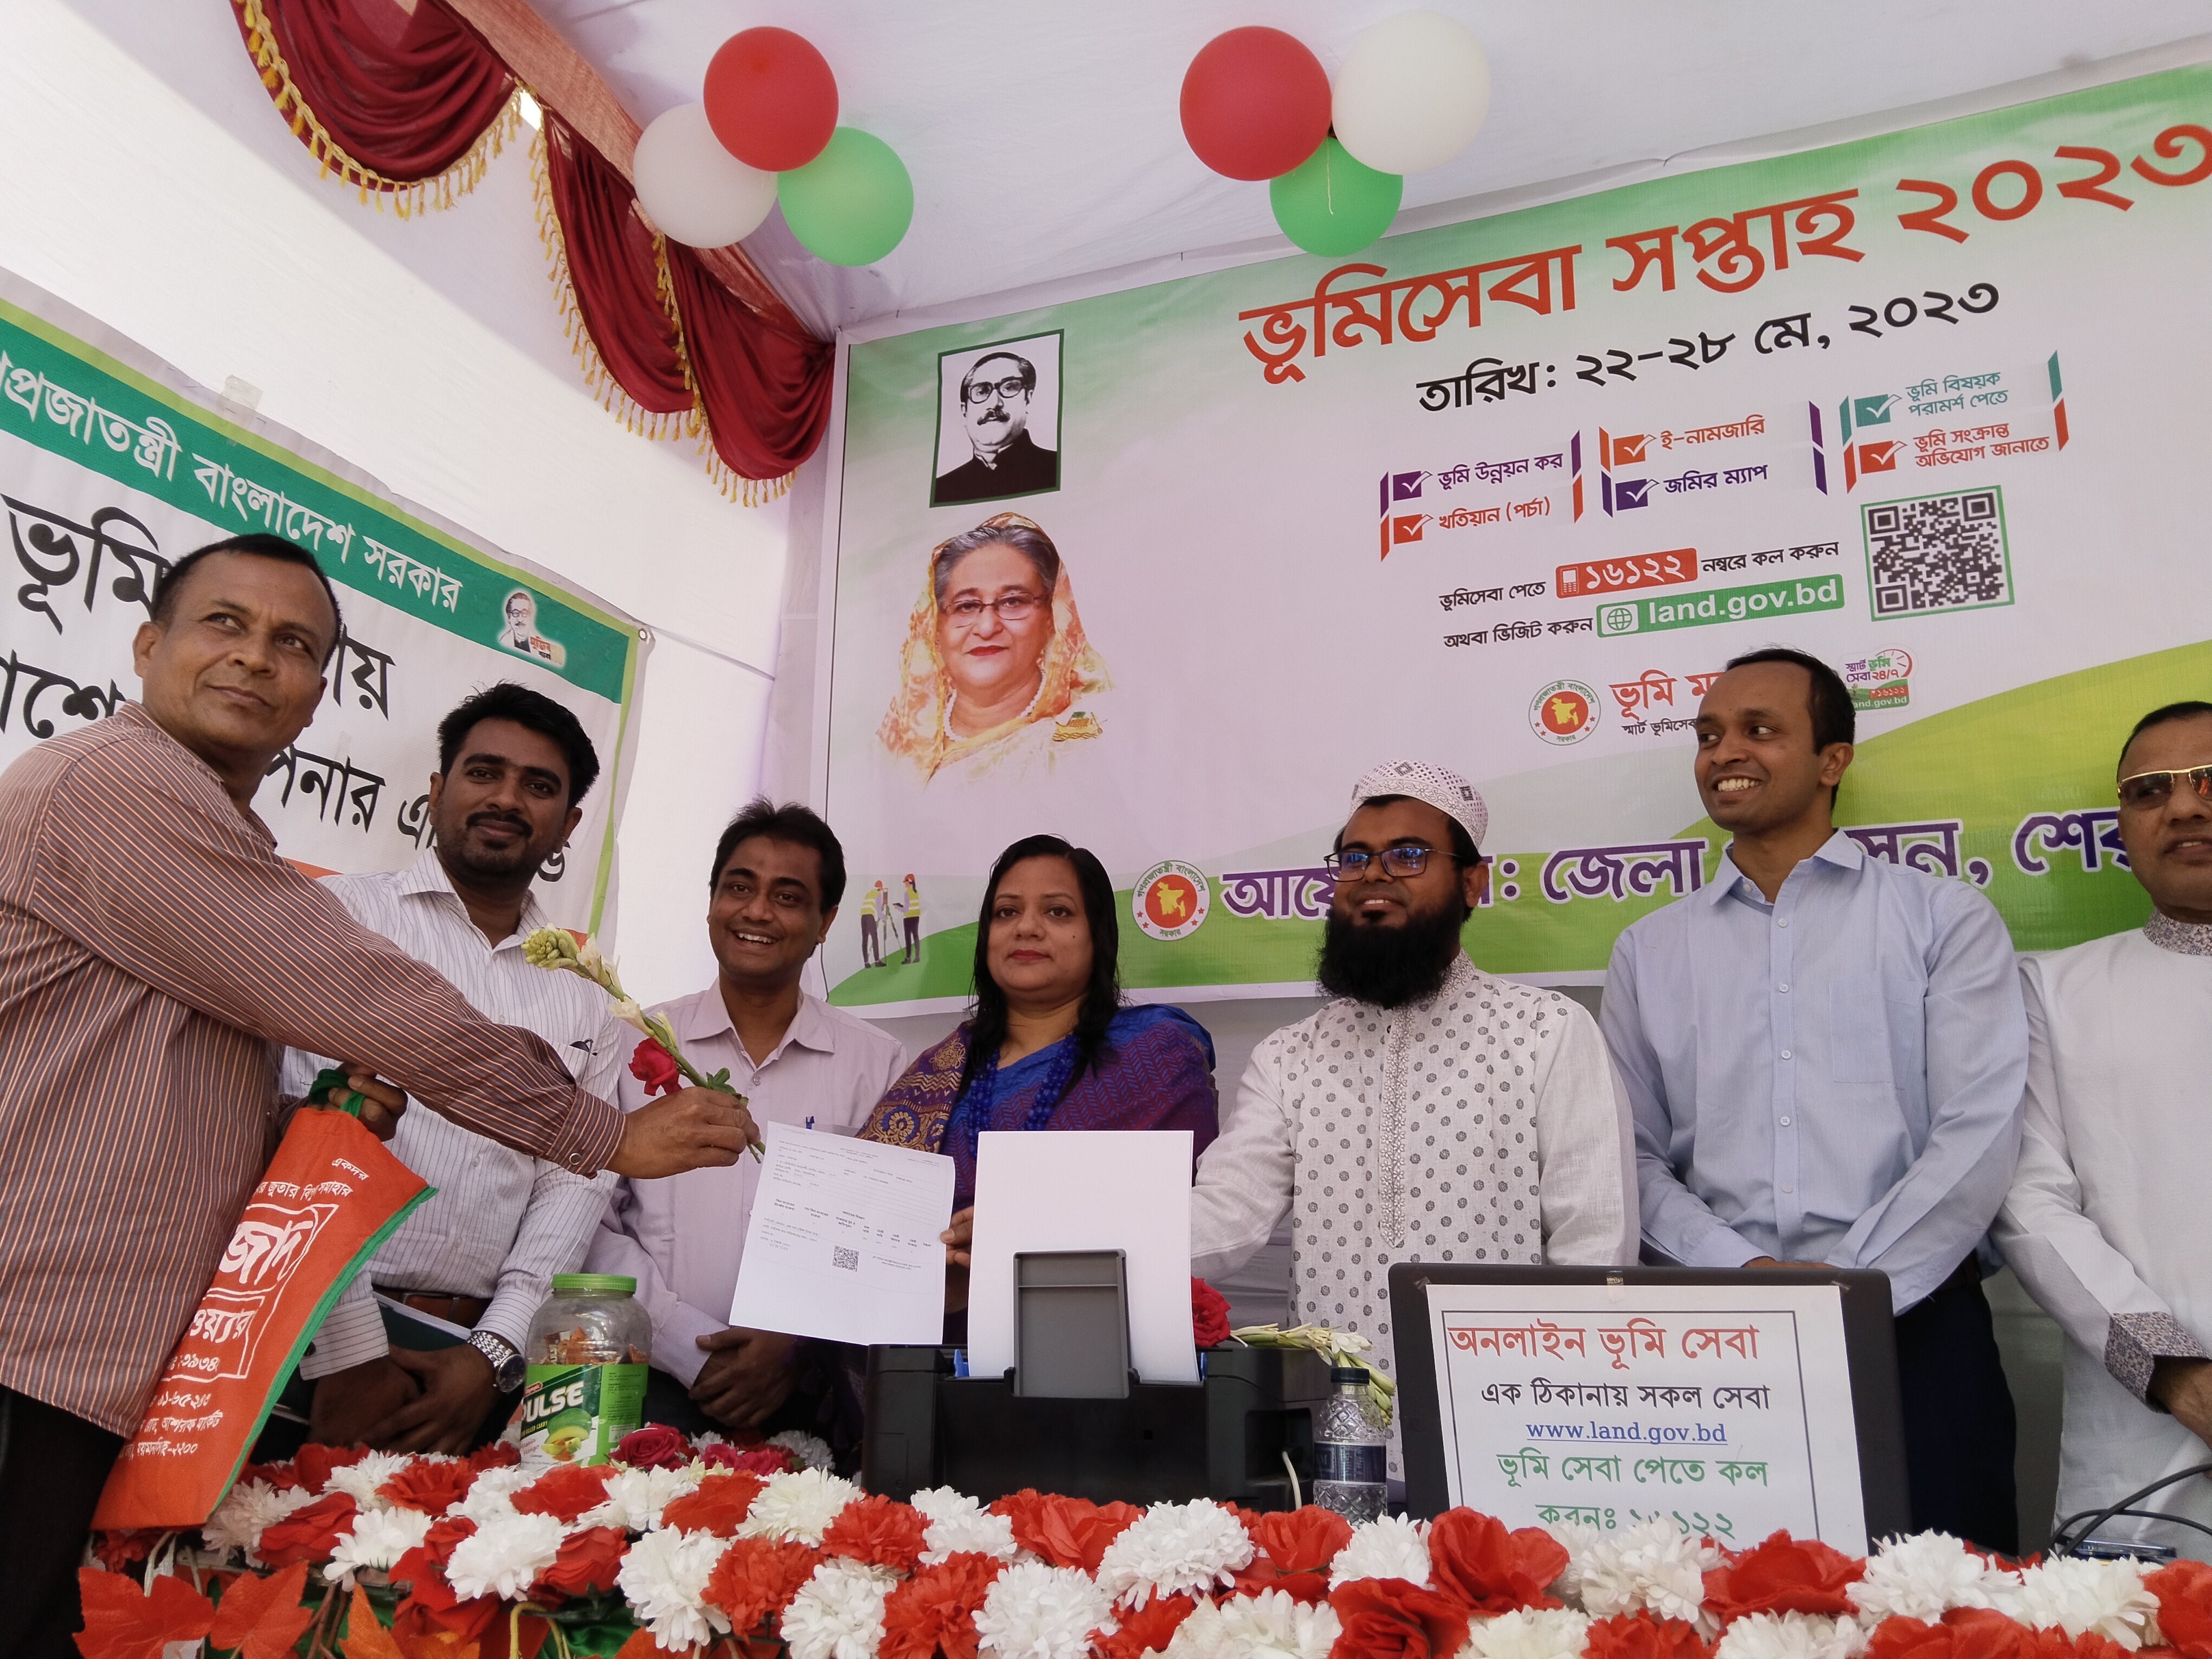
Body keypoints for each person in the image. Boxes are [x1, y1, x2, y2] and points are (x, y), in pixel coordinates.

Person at [0, 533, 751, 1658]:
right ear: (148, 645)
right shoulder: (115, 789)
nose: (255, 658)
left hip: (130, 1354)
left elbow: (233, 1107)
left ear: (317, 698)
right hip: (43, 1329)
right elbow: (359, 1001)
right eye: (224, 624)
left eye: (292, 644)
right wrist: (603, 1131)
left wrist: (490, 1346)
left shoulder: (233, 839)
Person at [1602, 646, 2028, 1551]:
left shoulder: (1942, 918)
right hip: (1720, 1337)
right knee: (1721, 1599)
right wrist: (1744, 1274)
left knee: (1953, 1606)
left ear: (1834, 760)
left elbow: (1979, 1135)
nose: (1725, 753)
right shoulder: (1649, 950)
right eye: (1709, 735)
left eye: (1759, 730)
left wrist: (1853, 1285)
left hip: (1918, 1331)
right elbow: (1629, 1157)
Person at [1189, 760, 1636, 1478]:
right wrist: (1063, 1250)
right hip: (1337, 1445)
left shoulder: (1545, 1032)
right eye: (1354, 858)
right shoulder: (1289, 1057)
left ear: (1472, 882)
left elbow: (1596, 1247)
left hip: (1514, 1429)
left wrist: (1562, 1423)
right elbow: (1225, 1217)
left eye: (1408, 855)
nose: (1373, 875)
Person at [278, 683, 623, 1454]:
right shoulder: (339, 919)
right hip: (312, 1342)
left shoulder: (586, 994)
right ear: (437, 791)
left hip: (473, 1375)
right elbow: (300, 1133)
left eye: (539, 786)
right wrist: (352, 1350)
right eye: (484, 773)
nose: (506, 799)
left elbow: (577, 1181)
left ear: (568, 825)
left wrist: (492, 1356)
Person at [589, 800, 905, 1446]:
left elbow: (888, 1240)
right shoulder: (627, 1042)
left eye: (787, 897)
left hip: (817, 1399)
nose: (757, 912)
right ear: (711, 903)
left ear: (826, 922)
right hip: (645, 1380)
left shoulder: (879, 1065)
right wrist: (685, 1345)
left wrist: (793, 1341)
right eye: (739, 887)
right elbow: (587, 1220)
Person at [1995, 700, 2212, 1558]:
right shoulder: (2055, 989)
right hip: (2144, 1435)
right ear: (2122, 826)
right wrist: (2177, 1374)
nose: (2185, 806)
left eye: (2209, 781)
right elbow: (2030, 1200)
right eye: (2150, 790)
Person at [859, 834, 1220, 1325]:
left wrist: (1018, 1234)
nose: (1026, 928)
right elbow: (865, 1211)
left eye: (1058, 912)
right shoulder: (938, 1071)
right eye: (1007, 912)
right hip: (933, 1343)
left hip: (1096, 1336)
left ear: (1098, 935)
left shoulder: (1155, 1055)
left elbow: (1181, 1217)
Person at [877, 514, 1108, 783]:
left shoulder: (1084, 738)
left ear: (1051, 617)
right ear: (935, 627)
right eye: (966, 606)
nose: (987, 628)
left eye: (1013, 602)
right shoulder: (897, 741)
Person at [933, 350, 1059, 505]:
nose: (994, 403)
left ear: (1028, 398)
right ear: (964, 411)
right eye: (981, 392)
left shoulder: (1057, 467)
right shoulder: (942, 489)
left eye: (1009, 388)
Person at [860, 878, 885, 967]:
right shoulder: (878, 895)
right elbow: (879, 911)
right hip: (870, 917)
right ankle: (877, 961)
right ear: (881, 888)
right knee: (875, 938)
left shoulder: (869, 894)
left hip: (863, 917)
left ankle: (866, 963)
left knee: (865, 939)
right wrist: (885, 918)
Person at [901, 873, 923, 963]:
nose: (905, 884)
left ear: (909, 882)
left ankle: (908, 958)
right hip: (916, 917)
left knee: (908, 938)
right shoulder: (916, 892)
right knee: (916, 936)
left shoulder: (907, 892)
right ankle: (917, 957)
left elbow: (906, 909)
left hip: (908, 918)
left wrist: (898, 907)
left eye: (905, 882)